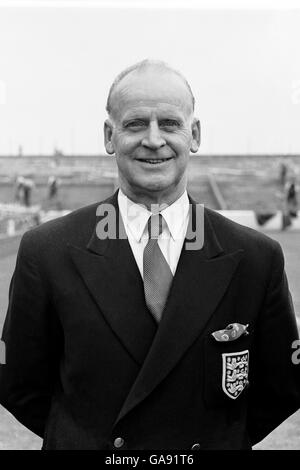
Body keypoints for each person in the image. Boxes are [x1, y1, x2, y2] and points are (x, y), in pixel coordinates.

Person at [0, 60, 299, 450]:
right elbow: (18, 381)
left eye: (170, 124)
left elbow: (281, 386)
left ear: (194, 135)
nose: (154, 139)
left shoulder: (257, 258)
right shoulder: (47, 251)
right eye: (136, 123)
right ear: (109, 136)